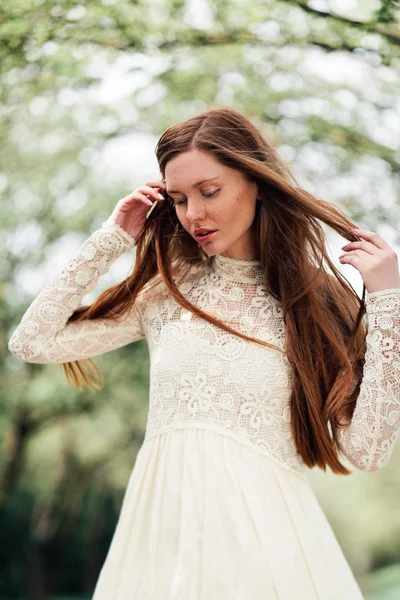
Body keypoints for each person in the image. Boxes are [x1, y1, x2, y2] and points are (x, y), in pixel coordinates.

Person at [8, 105, 400, 599]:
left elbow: (364, 451)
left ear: (257, 182)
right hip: (159, 550)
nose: (193, 215)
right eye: (177, 199)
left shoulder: (313, 306)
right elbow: (33, 341)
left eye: (208, 192)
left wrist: (388, 303)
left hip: (270, 555)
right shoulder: (166, 294)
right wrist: (112, 238)